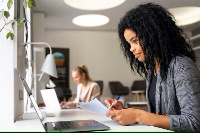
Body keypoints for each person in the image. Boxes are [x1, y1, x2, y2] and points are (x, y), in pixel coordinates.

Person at [104, 3, 200, 131]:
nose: (131, 48)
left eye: (135, 41)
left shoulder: (181, 65)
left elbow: (194, 121)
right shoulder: (152, 70)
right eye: (129, 44)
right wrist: (127, 112)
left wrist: (138, 115)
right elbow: (158, 115)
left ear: (153, 34)